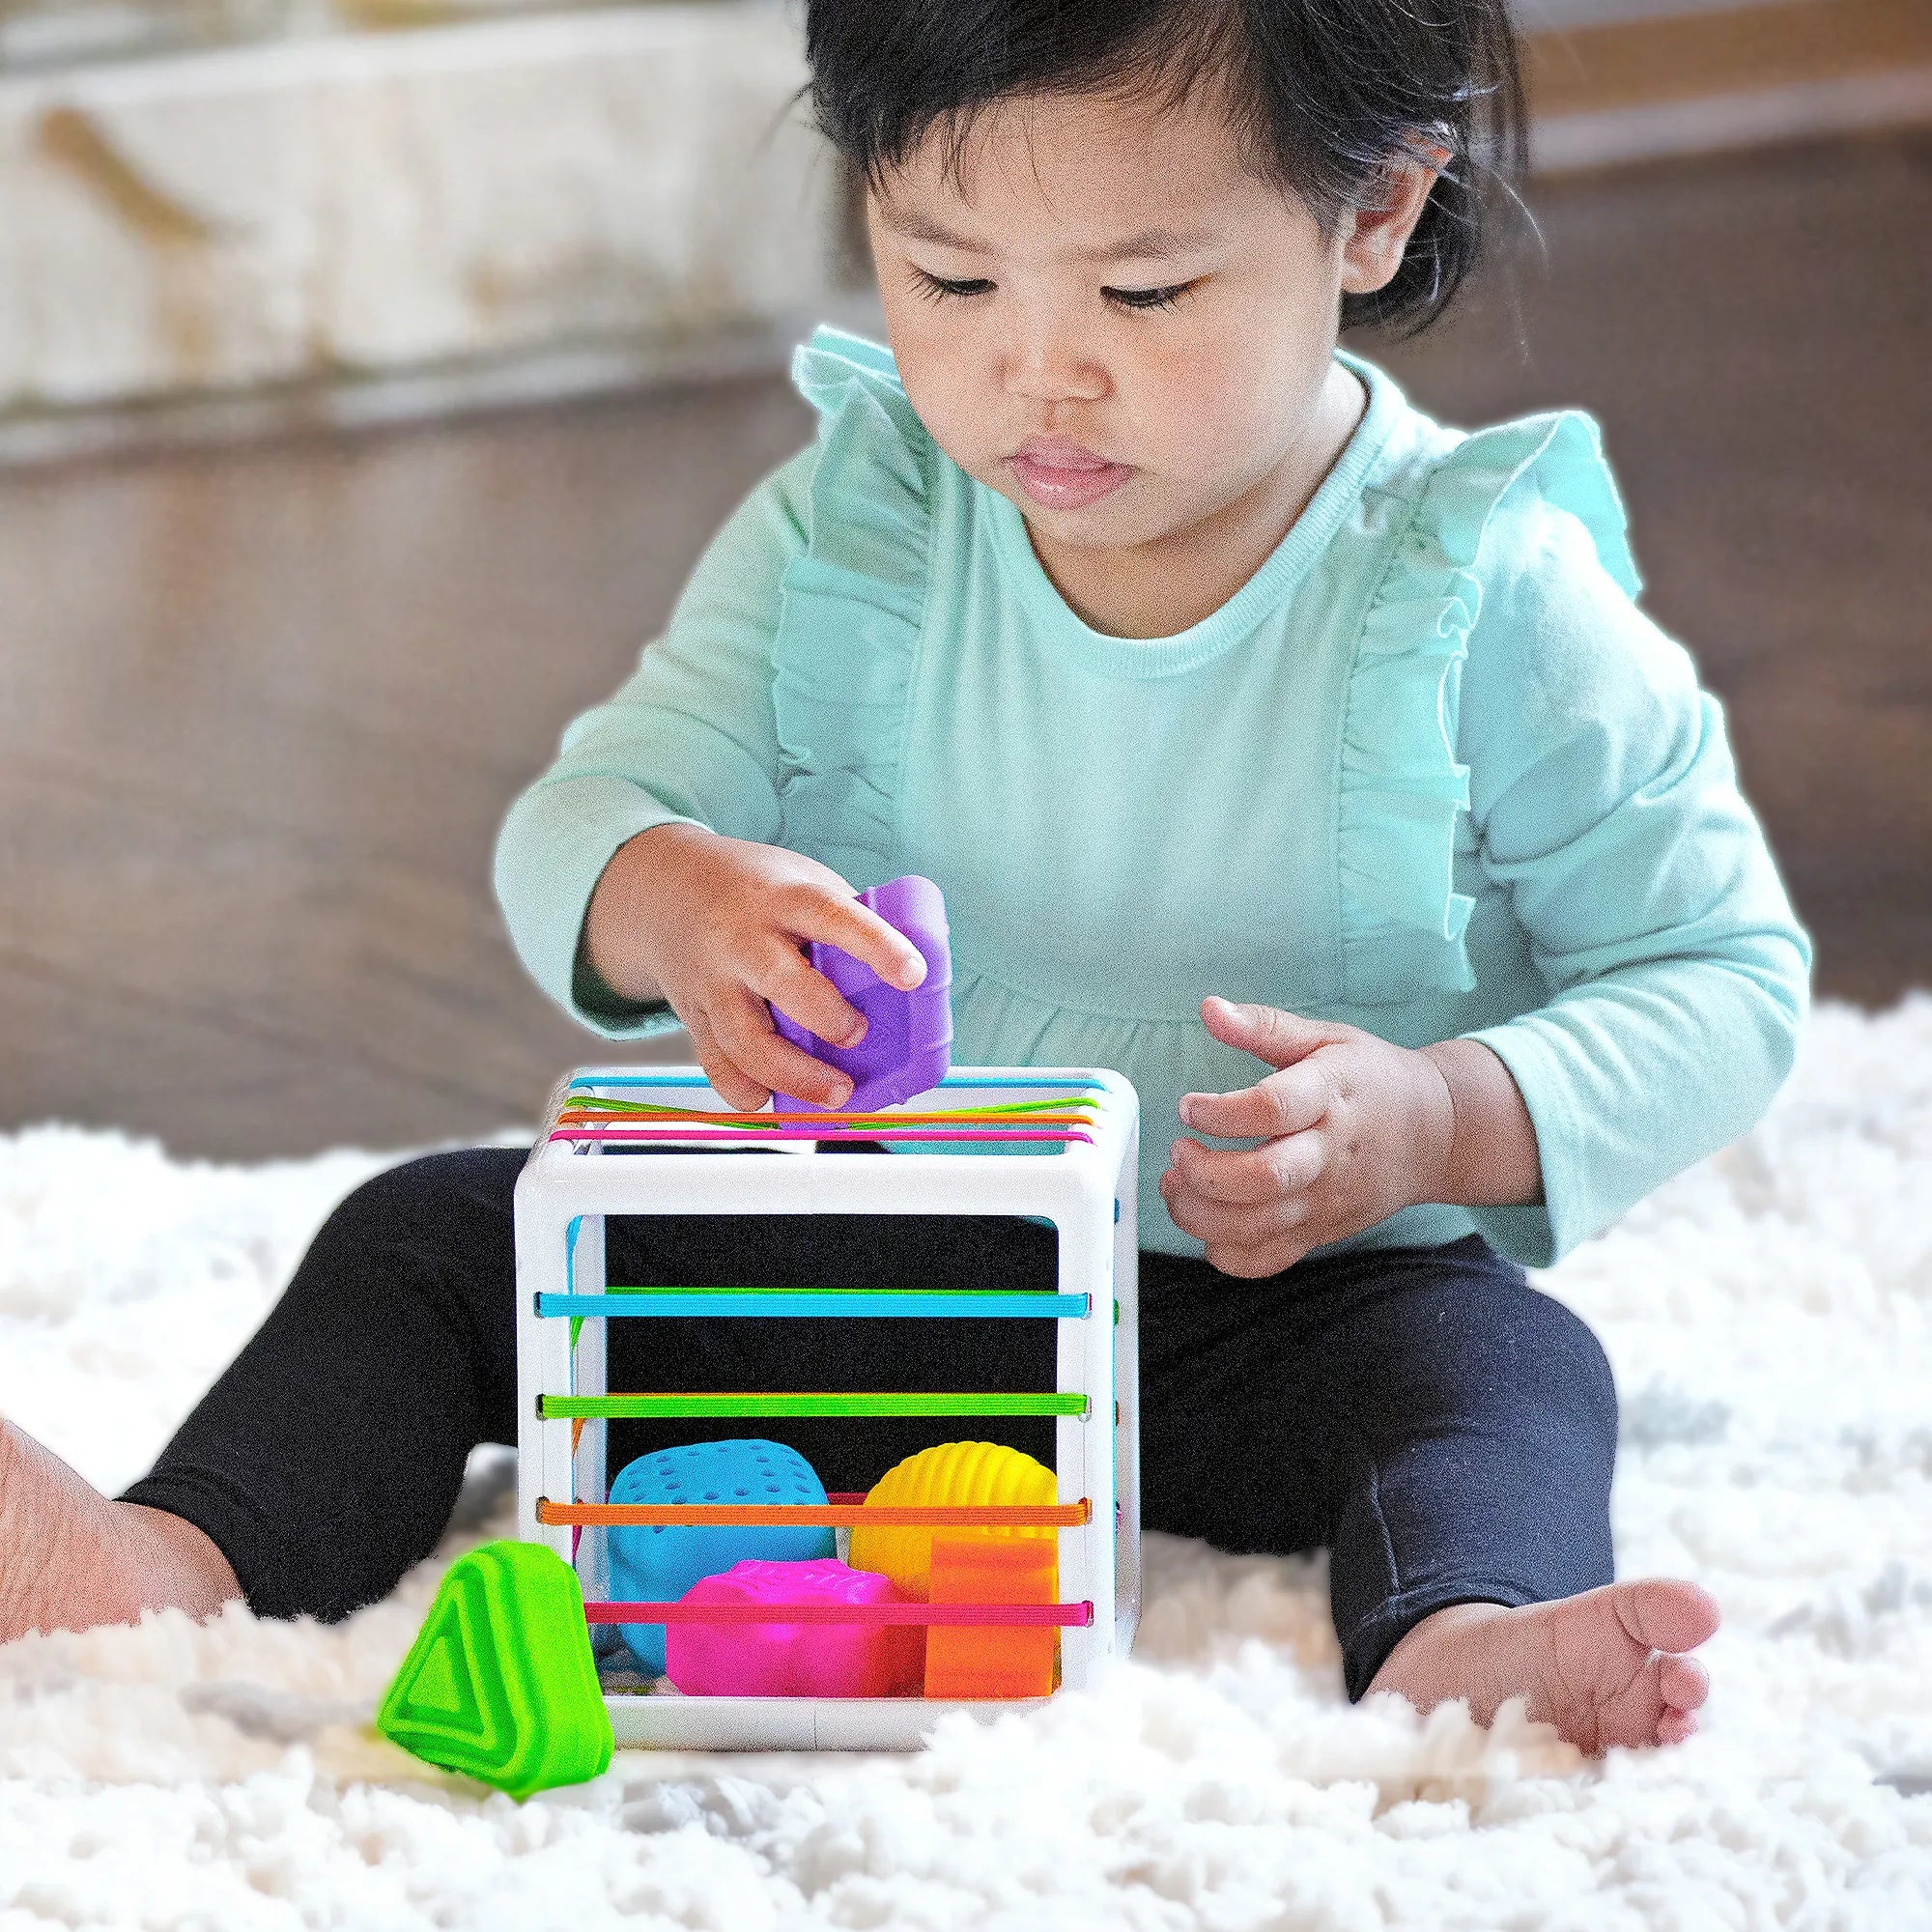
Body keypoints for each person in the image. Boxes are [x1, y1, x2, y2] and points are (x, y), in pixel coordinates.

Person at [0, 0, 1808, 1754]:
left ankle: (1459, 1635)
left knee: (1505, 1375)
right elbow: (585, 810)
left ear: (1372, 212)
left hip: (1279, 1320)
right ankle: (173, 1566)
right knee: (433, 1243)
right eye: (950, 277)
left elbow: (1721, 972)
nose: (1039, 368)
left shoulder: (1484, 588)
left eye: (1142, 289)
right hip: (869, 1286)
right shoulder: (853, 525)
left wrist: (1435, 1117)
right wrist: (682, 899)